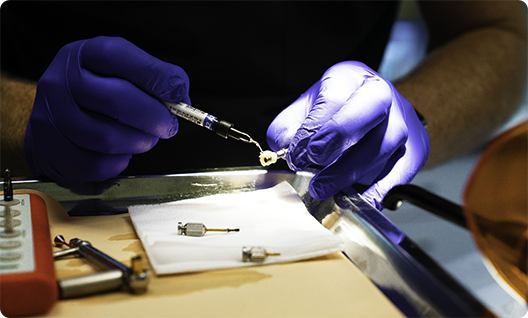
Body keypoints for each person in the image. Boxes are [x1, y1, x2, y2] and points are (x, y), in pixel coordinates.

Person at [0, 0, 526, 210]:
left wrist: (401, 121)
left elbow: (500, 31)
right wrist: (21, 113)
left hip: (316, 210)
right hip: (50, 202)